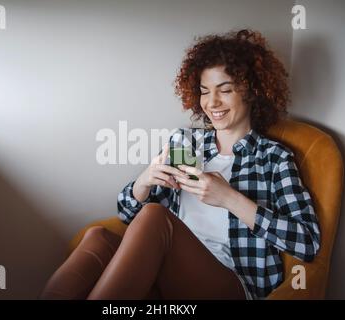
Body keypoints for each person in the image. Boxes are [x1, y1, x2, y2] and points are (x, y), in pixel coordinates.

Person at [41, 29, 321, 300]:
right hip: (167, 268)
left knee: (154, 216)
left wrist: (230, 199)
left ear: (250, 92)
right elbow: (127, 214)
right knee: (98, 237)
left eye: (225, 90)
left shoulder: (273, 158)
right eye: (204, 91)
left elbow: (307, 242)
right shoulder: (187, 143)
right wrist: (145, 180)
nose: (212, 102)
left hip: (232, 281)